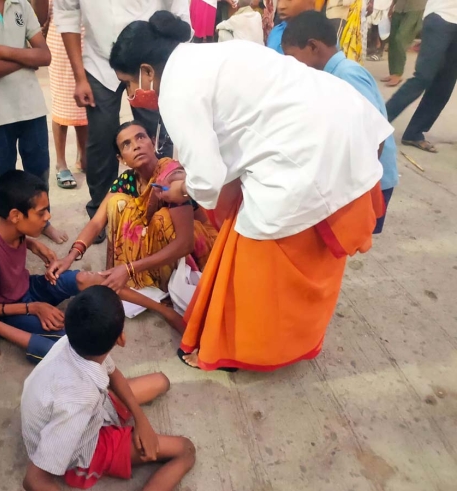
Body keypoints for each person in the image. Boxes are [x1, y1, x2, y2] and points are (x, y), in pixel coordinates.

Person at [110, 11, 393, 371]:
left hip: (310, 153)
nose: (132, 94)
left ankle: (240, 350)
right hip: (346, 121)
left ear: (147, 71)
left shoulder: (177, 91)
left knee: (251, 268)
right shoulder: (207, 53)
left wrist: (182, 189)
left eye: (129, 84)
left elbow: (209, 178)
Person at [0, 170, 186, 361]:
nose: (48, 218)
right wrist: (32, 308)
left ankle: (164, 310)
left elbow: (5, 238)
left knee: (88, 278)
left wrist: (33, 245)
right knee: (75, 344)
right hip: (5, 308)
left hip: (26, 287)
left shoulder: (1, 219)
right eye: (41, 212)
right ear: (15, 216)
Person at [21, 286, 196, 491]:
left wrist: (141, 419)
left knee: (160, 381)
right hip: (83, 445)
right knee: (186, 450)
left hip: (89, 409)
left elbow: (113, 374)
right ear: (120, 338)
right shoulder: (78, 402)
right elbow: (34, 479)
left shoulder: (73, 341)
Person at [53, 0, 189, 243]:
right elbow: (67, 14)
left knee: (155, 140)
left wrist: (169, 69)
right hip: (98, 63)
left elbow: (179, 10)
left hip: (148, 62)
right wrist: (79, 77)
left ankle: (159, 202)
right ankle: (102, 213)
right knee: (102, 141)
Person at [48, 122, 217, 303]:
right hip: (159, 248)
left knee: (162, 218)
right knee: (117, 203)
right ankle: (145, 280)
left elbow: (185, 243)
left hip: (194, 248)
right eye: (126, 144)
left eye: (140, 137)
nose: (136, 145)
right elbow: (97, 222)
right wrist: (70, 257)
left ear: (153, 142)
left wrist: (129, 269)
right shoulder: (127, 181)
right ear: (121, 159)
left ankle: (170, 285)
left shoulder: (170, 175)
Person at [0, 0, 68, 244]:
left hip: (31, 106)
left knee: (38, 171)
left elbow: (45, 55)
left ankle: (42, 221)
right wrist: (27, 58)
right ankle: (8, 229)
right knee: (3, 175)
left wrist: (4, 51)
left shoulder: (21, 5)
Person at [282, 11, 398, 233]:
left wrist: (357, 184)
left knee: (351, 236)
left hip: (369, 182)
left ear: (314, 47)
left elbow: (376, 134)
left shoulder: (347, 75)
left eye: (293, 57)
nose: (292, 65)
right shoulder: (327, 75)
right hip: (356, 177)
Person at [385, 0, 457, 154]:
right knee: (423, 77)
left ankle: (414, 133)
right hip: (441, 17)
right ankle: (378, 123)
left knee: (445, 84)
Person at [45, 0, 88, 189]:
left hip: (89, 39)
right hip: (61, 40)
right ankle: (61, 163)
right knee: (62, 106)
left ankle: (83, 157)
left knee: (85, 106)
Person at [382, 0, 427, 88]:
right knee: (393, 41)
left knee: (400, 39)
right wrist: (392, 6)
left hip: (416, 8)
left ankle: (398, 74)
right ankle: (393, 73)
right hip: (399, 7)